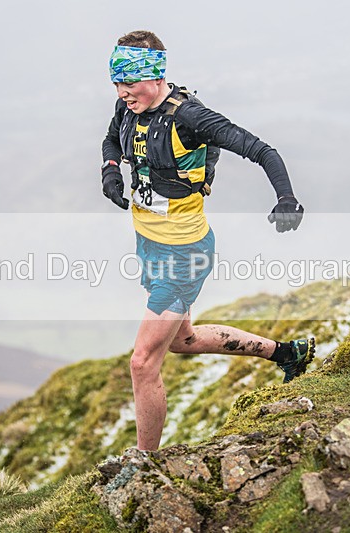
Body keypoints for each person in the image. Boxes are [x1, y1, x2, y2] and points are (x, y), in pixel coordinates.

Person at [101, 30, 314, 451]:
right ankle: (288, 353)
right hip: (150, 245)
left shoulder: (191, 118)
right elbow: (111, 138)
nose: (124, 92)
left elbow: (261, 150)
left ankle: (145, 462)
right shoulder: (128, 107)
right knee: (184, 341)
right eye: (116, 83)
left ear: (156, 75)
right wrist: (110, 169)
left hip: (184, 254)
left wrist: (286, 197)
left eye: (131, 81)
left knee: (143, 363)